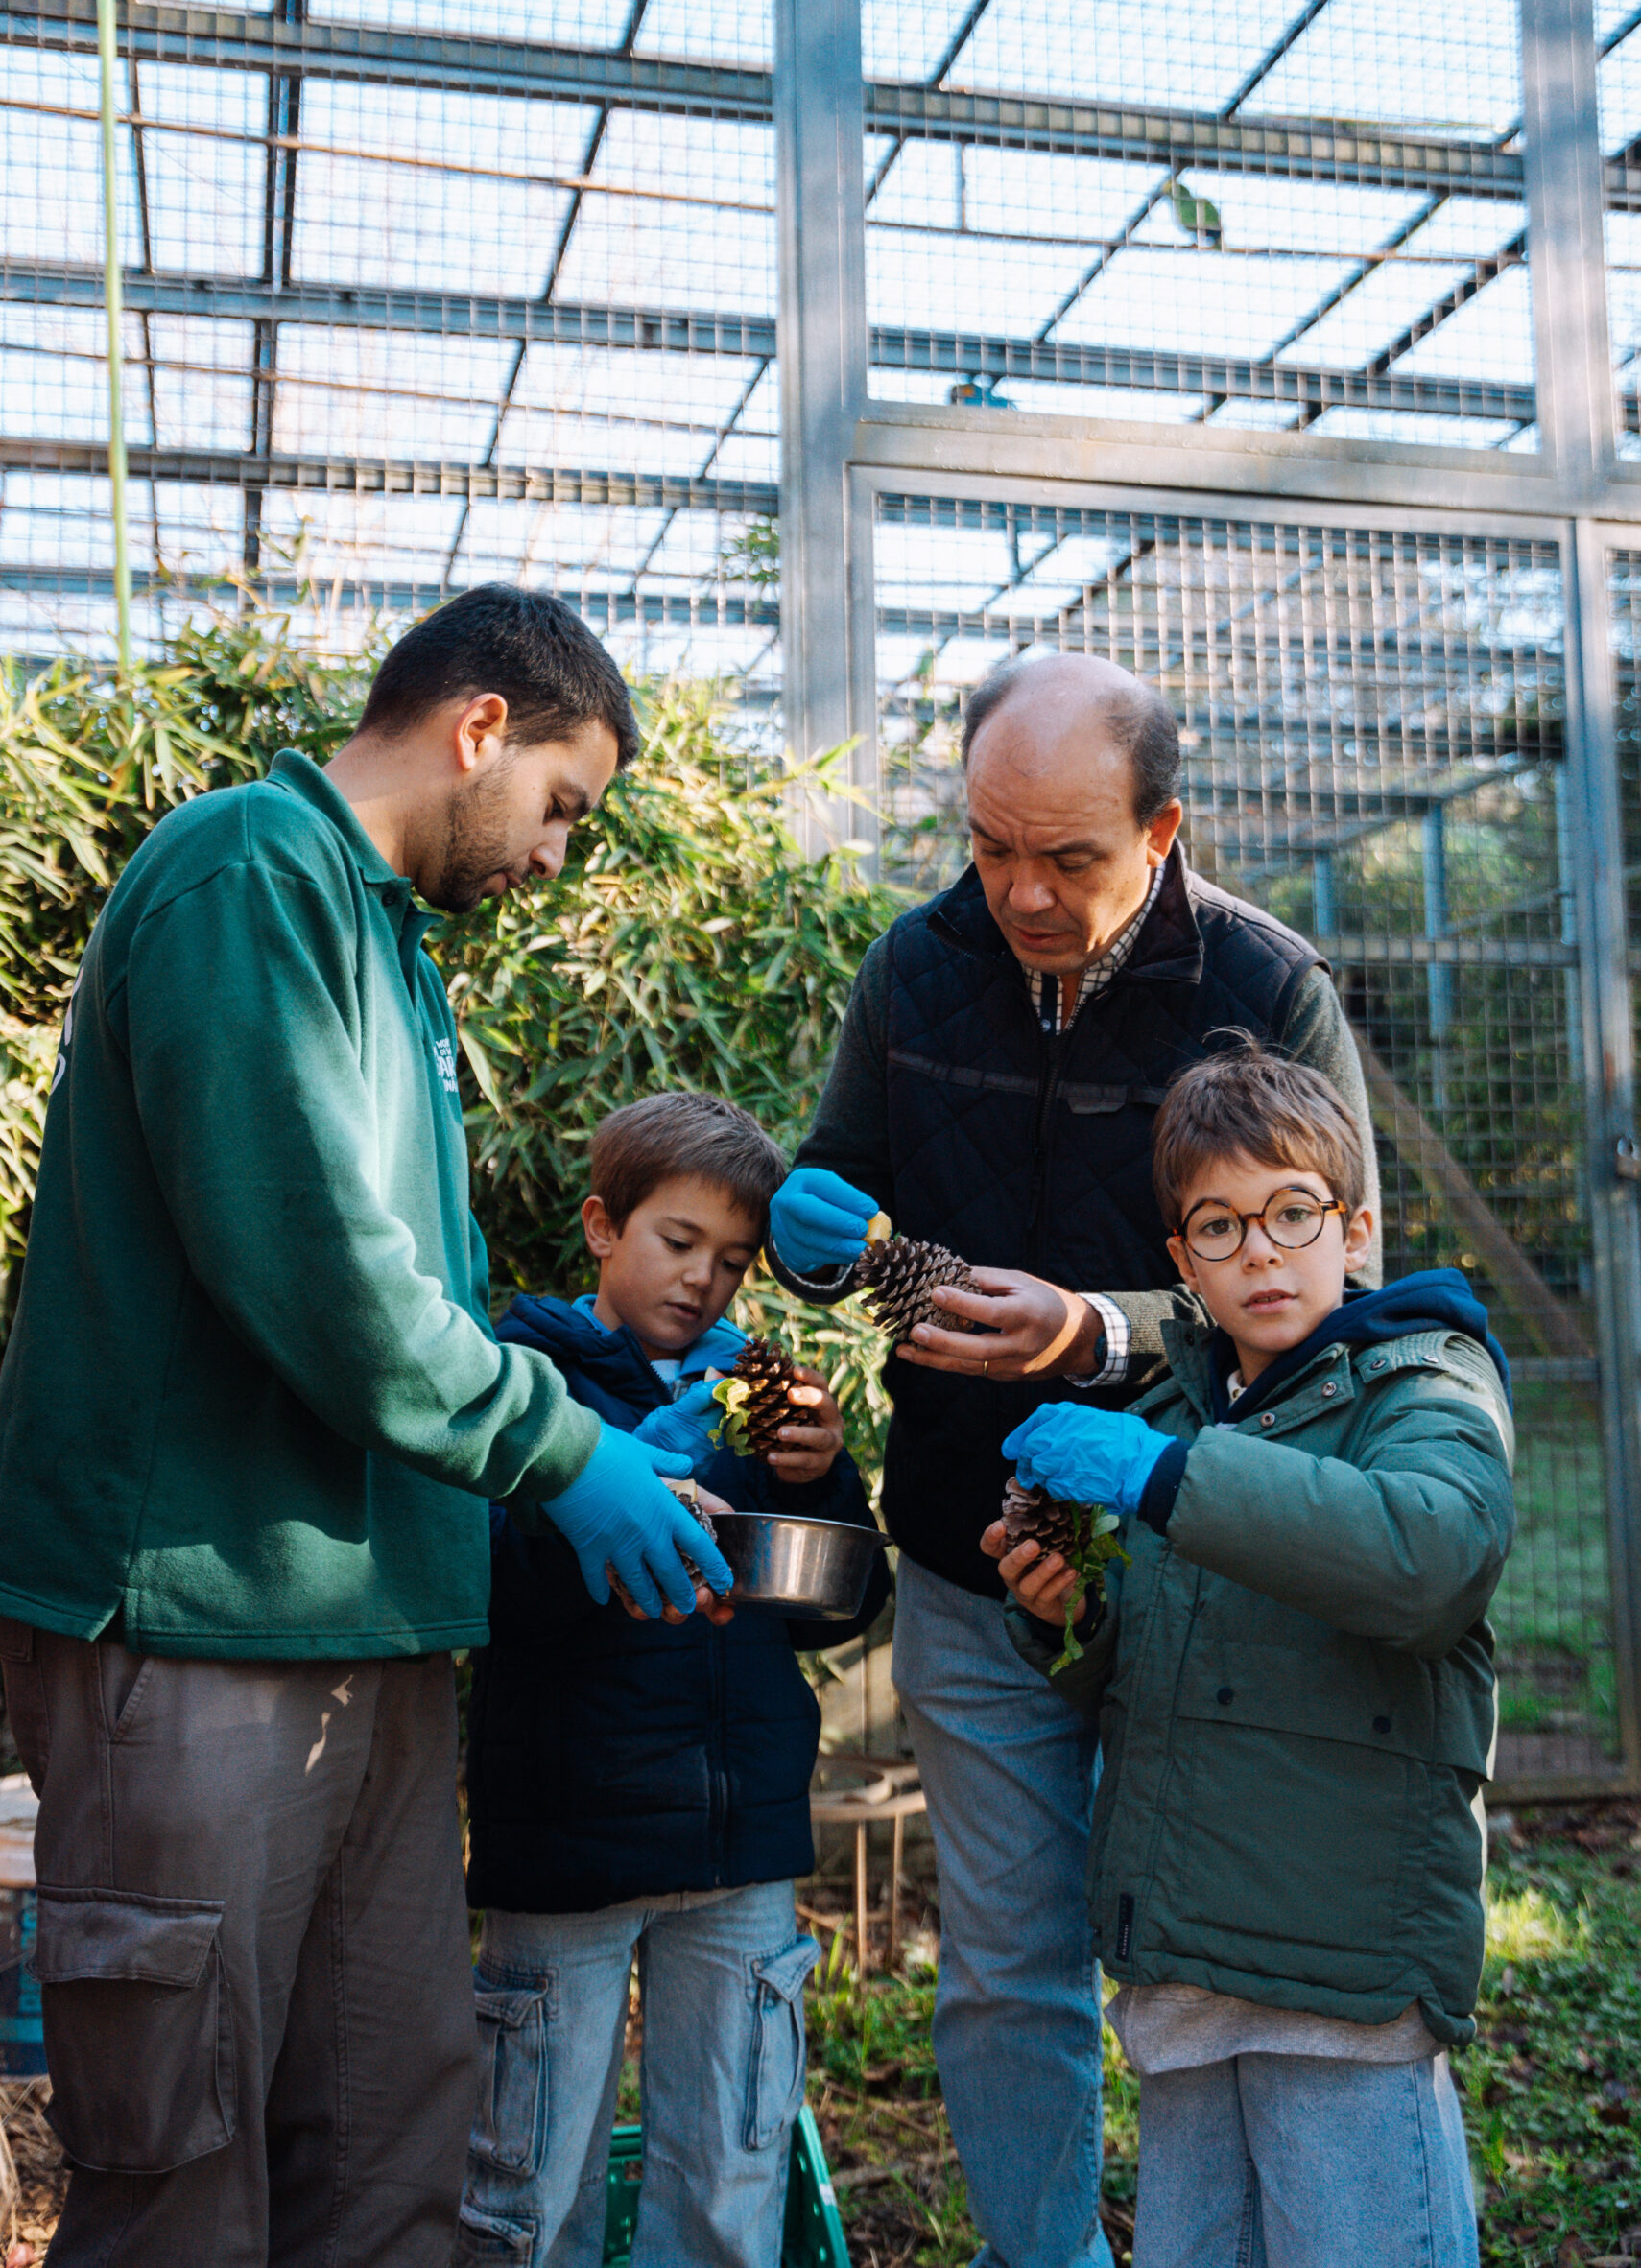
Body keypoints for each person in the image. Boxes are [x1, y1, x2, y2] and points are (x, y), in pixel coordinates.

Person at [0, 588, 732, 2268]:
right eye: (563, 805)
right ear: (482, 727)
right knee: (179, 2175)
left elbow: (418, 1304)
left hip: (373, 1631)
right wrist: (564, 1454)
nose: (556, 856)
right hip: (201, 1624)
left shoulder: (384, 941)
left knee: (392, 2152)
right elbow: (326, 1273)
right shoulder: (249, 874)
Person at [764, 651, 1380, 2268]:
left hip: (1200, 1568)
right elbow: (849, 1200)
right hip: (975, 1559)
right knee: (1005, 1967)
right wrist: (829, 1246)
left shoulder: (1268, 986)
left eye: (1069, 857)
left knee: (1203, 1961)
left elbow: (1344, 1291)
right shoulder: (916, 969)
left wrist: (1095, 1334)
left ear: (1164, 828)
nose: (1021, 893)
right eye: (987, 847)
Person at [991, 1042, 1512, 2268]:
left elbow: (1429, 1559)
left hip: (1339, 1979)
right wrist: (1061, 1606)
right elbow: (1135, 1663)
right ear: (1180, 1260)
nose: (1261, 1251)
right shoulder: (1175, 1408)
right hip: (1187, 1971)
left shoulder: (1424, 1381)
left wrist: (1165, 1479)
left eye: (1291, 1211)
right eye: (1218, 1226)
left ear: (1356, 1225)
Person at [455, 1091, 890, 2268]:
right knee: (531, 2180)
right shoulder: (523, 1378)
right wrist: (598, 1505)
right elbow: (486, 1588)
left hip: (735, 1850)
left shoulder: (759, 1392)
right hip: (570, 1850)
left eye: (734, 1261)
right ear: (603, 1226)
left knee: (729, 2176)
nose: (704, 1280)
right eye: (678, 1243)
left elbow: (841, 1606)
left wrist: (818, 1479)